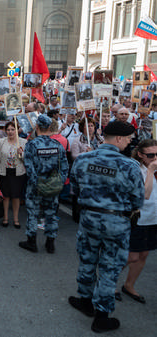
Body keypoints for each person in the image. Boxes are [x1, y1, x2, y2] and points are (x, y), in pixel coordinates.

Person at [68, 121, 144, 333]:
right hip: (116, 223)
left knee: (87, 260)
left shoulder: (82, 160)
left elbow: (75, 189)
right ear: (119, 139)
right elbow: (138, 201)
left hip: (88, 219)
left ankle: (85, 300)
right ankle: (101, 316)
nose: (130, 143)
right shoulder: (130, 166)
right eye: (129, 140)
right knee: (109, 268)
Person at [19, 115, 68, 253]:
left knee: (33, 213)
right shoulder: (57, 145)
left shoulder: (32, 145)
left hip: (36, 186)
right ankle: (50, 243)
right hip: (53, 185)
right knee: (51, 214)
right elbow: (64, 167)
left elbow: (29, 168)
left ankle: (32, 242)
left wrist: (37, 184)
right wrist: (59, 182)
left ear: (37, 127)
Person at [117, 139, 157, 304]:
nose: (155, 158)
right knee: (131, 256)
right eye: (151, 155)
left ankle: (129, 285)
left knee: (143, 254)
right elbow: (144, 195)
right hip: (138, 217)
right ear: (140, 154)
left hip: (153, 218)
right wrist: (150, 170)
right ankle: (107, 281)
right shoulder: (136, 169)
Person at [0, 121, 26, 228]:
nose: (10, 132)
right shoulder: (2, 141)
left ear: (17, 130)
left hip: (18, 172)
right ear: (5, 130)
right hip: (4, 172)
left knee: (16, 196)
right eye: (8, 129)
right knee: (5, 196)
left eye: (13, 129)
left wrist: (22, 154)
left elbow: (28, 159)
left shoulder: (23, 142)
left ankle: (16, 219)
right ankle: (5, 218)